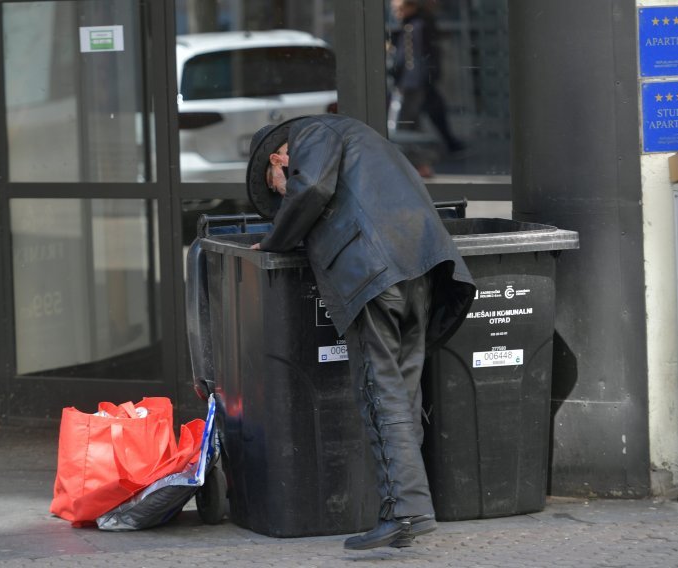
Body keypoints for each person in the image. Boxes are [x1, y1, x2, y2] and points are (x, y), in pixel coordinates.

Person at [246, 114, 475, 550]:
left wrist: (277, 238)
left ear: (279, 157)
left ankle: (406, 510)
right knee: (403, 392)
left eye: (277, 183)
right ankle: (405, 512)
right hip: (419, 270)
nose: (283, 193)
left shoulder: (313, 134)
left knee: (379, 386)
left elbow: (310, 187)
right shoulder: (365, 141)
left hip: (373, 272)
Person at [388, 0, 465, 154]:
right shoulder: (412, 24)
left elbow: (410, 55)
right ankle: (449, 144)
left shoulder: (416, 25)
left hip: (414, 81)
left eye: (401, 9)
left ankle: (412, 153)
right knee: (428, 113)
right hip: (417, 79)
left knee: (408, 119)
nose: (398, 14)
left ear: (412, 7)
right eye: (395, 10)